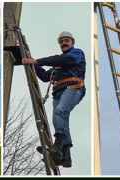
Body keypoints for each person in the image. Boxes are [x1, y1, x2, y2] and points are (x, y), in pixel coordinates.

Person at [22, 31, 86, 168]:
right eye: (61, 41)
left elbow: (62, 59)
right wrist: (34, 64)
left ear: (72, 42)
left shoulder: (77, 54)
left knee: (60, 112)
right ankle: (65, 156)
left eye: (66, 40)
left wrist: (38, 61)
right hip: (59, 93)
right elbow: (45, 76)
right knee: (60, 119)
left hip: (73, 88)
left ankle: (57, 147)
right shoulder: (57, 67)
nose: (64, 43)